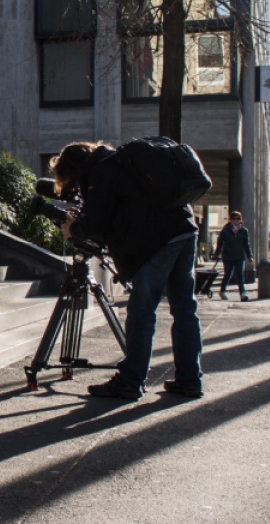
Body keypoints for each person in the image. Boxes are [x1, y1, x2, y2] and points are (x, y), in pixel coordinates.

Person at [51, 140, 203, 401]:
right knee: (185, 310)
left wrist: (73, 229)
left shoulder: (101, 171)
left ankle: (130, 381)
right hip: (184, 230)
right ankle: (190, 380)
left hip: (155, 241)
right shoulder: (121, 162)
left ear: (72, 169)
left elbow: (97, 222)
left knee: (142, 313)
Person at [212, 210, 253, 302]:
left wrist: (249, 256)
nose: (236, 221)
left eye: (238, 219)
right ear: (230, 220)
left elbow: (246, 245)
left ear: (240, 220)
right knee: (228, 274)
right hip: (228, 256)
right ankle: (222, 291)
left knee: (239, 275)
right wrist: (216, 254)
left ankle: (243, 294)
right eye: (233, 219)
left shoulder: (244, 231)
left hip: (239, 257)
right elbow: (220, 243)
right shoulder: (226, 230)